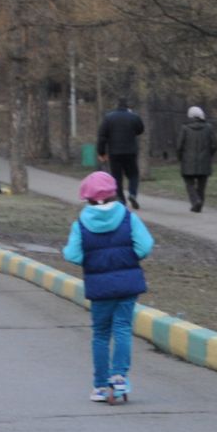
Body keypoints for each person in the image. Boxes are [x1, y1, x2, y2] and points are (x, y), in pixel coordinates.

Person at [63, 170, 154, 403]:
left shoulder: (81, 223)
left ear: (87, 198)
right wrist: (128, 258)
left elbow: (72, 254)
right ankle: (120, 378)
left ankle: (100, 386)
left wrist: (94, 261)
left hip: (99, 286)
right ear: (113, 193)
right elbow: (145, 245)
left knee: (101, 334)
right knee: (123, 328)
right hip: (127, 284)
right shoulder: (128, 217)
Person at [96, 98, 145, 209]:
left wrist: (101, 152)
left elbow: (102, 136)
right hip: (130, 151)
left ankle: (121, 200)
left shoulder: (108, 118)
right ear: (127, 106)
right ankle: (132, 194)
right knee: (133, 174)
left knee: (117, 177)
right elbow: (140, 129)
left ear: (116, 106)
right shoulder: (133, 117)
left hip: (114, 152)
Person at [177, 106, 216, 212]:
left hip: (188, 162)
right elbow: (214, 145)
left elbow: (179, 146)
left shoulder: (185, 128)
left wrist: (180, 158)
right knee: (201, 185)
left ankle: (195, 201)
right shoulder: (209, 128)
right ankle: (199, 204)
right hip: (204, 161)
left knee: (189, 184)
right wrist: (209, 155)